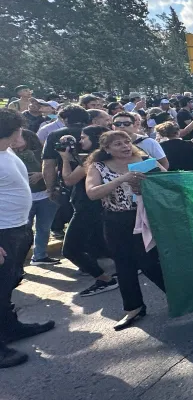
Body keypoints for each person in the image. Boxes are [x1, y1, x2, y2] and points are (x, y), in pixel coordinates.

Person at [85, 130, 168, 331]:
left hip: (145, 217)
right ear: (106, 149)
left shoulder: (145, 160)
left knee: (148, 261)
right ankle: (133, 307)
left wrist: (146, 186)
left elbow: (167, 182)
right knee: (123, 265)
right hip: (115, 220)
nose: (125, 146)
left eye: (127, 142)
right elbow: (92, 193)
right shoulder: (98, 166)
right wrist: (121, 179)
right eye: (118, 144)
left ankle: (178, 294)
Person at [0, 111, 56, 367]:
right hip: (3, 233)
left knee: (8, 284)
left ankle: (10, 328)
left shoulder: (7, 151)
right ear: (13, 131)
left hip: (17, 228)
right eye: (20, 129)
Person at [60, 126, 119, 298]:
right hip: (102, 207)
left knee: (70, 249)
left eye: (83, 137)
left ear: (94, 139)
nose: (80, 141)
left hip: (87, 209)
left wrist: (64, 159)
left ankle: (105, 279)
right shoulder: (109, 157)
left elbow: (69, 180)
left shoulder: (92, 160)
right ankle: (130, 266)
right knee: (103, 243)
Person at [13, 129, 61, 265]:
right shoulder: (8, 154)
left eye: (18, 137)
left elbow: (57, 166)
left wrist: (41, 174)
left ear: (28, 138)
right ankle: (17, 260)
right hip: (23, 198)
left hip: (45, 195)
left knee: (44, 228)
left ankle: (40, 256)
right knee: (23, 231)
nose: (14, 140)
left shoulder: (42, 152)